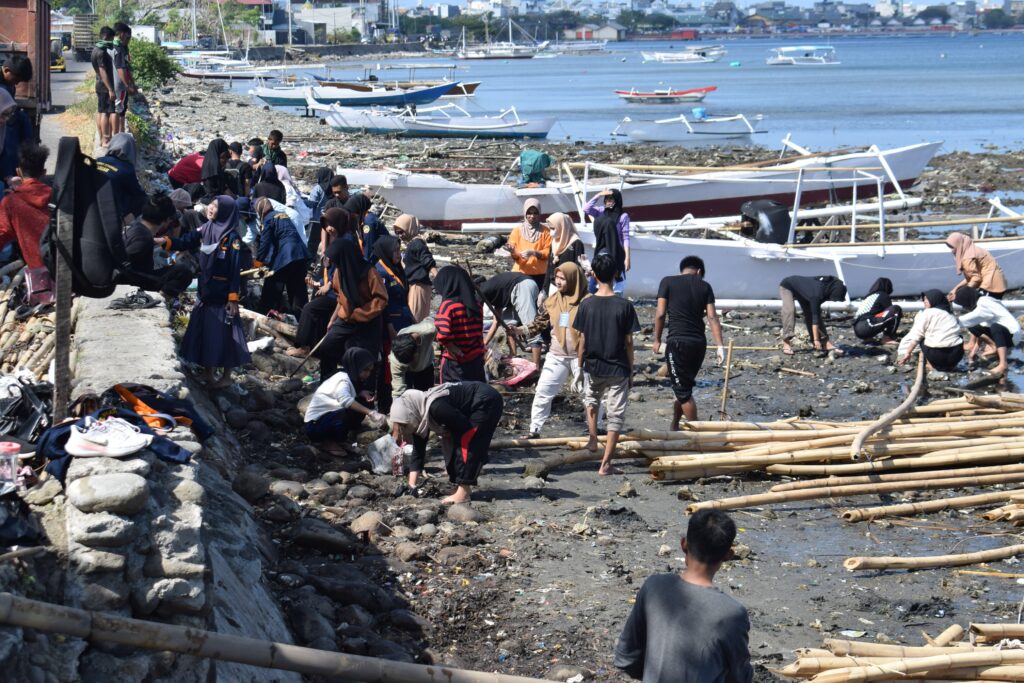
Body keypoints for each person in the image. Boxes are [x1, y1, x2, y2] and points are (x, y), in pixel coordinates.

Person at [614, 509, 753, 683]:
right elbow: (740, 677)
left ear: (684, 545)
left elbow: (626, 659)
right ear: (728, 555)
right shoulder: (732, 613)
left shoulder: (654, 586)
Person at [163, 196, 250, 387]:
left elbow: (235, 270)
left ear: (226, 212)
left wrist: (233, 298)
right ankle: (207, 373)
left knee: (226, 335)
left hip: (223, 296)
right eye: (211, 204)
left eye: (216, 207)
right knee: (206, 332)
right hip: (206, 291)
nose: (210, 208)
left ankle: (226, 378)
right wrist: (164, 241)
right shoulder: (206, 228)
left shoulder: (232, 238)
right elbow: (186, 241)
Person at [574, 254, 640, 476]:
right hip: (617, 366)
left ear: (593, 274)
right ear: (615, 275)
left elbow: (582, 339)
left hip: (593, 365)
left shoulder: (586, 304)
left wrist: (579, 366)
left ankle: (593, 440)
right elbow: (629, 342)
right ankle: (606, 464)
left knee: (591, 401)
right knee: (615, 416)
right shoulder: (624, 306)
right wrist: (631, 370)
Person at [390, 381, 503, 504]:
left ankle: (463, 492)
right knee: (455, 442)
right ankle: (460, 486)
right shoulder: (421, 413)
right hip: (475, 402)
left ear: (411, 414)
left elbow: (464, 427)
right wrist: (411, 486)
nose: (405, 430)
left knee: (467, 442)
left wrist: (448, 431)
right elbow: (418, 451)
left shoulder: (436, 407)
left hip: (486, 401)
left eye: (404, 425)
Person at [653, 256, 725, 428]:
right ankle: (675, 425)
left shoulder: (667, 282)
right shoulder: (705, 286)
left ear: (682, 270)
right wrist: (720, 346)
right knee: (684, 386)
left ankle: (696, 433)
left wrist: (656, 339)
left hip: (677, 344)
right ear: (699, 271)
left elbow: (660, 313)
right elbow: (712, 317)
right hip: (699, 344)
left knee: (683, 391)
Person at [523, 262, 589, 439]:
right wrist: (522, 330)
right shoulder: (551, 300)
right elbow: (539, 323)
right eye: (557, 278)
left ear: (574, 279)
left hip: (581, 357)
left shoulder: (588, 302)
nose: (558, 282)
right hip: (556, 356)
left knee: (589, 395)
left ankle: (595, 428)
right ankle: (534, 429)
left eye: (563, 278)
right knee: (543, 392)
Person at [316, 234, 388, 380]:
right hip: (346, 320)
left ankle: (362, 394)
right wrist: (333, 319)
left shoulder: (369, 272)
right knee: (327, 347)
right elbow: (339, 297)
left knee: (364, 359)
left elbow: (381, 299)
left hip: (368, 321)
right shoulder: (339, 272)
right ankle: (328, 382)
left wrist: (359, 313)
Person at [304, 348, 386, 449]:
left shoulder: (349, 377)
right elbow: (345, 400)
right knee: (347, 412)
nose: (368, 374)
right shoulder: (343, 380)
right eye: (365, 370)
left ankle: (343, 436)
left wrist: (360, 393)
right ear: (356, 366)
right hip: (315, 426)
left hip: (322, 421)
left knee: (362, 402)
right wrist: (371, 412)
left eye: (370, 371)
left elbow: (344, 394)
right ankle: (330, 441)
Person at [389, 317, 436, 493]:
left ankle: (422, 440)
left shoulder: (428, 331)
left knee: (427, 404)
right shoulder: (396, 360)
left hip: (426, 367)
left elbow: (437, 324)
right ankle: (411, 446)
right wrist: (396, 424)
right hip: (409, 374)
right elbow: (398, 392)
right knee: (406, 408)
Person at [122, 194, 194, 297]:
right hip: (132, 281)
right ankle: (159, 298)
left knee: (174, 263)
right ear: (167, 220)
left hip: (139, 274)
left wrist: (172, 258)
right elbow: (126, 266)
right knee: (184, 272)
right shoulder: (143, 238)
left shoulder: (137, 228)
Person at [253, 197, 310, 315]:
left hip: (286, 256)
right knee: (298, 291)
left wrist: (258, 262)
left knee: (272, 286)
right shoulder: (283, 215)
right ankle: (302, 319)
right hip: (300, 254)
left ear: (260, 211)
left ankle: (266, 313)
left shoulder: (268, 219)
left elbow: (265, 243)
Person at [0, 143, 50, 270]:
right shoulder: (59, 196)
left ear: (18, 171)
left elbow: (2, 234)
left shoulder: (10, 202)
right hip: (66, 270)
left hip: (37, 271)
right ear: (44, 173)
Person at [434, 265, 486, 383]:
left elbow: (443, 334)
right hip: (476, 359)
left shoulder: (448, 306)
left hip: (455, 363)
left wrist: (453, 348)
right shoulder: (476, 305)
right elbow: (478, 332)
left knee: (455, 397)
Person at [480, 272, 543, 368]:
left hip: (522, 286)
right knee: (507, 324)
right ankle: (513, 356)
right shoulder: (496, 293)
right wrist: (484, 344)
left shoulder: (482, 290)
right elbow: (496, 322)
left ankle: (535, 367)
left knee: (531, 328)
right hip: (520, 288)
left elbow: (473, 312)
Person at [955, 286, 1020, 377]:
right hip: (1003, 334)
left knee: (995, 327)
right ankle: (994, 347)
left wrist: (953, 321)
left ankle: (1003, 364)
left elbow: (973, 317)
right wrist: (973, 352)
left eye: (964, 304)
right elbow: (980, 327)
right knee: (973, 326)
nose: (965, 307)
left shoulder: (984, 303)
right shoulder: (982, 302)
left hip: (1012, 335)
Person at [778, 275, 848, 356]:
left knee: (812, 314)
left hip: (806, 291)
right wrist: (816, 340)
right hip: (788, 286)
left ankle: (825, 343)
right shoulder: (816, 295)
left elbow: (816, 315)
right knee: (790, 311)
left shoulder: (829, 289)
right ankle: (786, 342)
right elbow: (815, 321)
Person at [897, 290, 964, 372]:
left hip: (936, 356)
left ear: (934, 300)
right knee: (959, 337)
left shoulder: (927, 313)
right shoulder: (950, 314)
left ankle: (930, 364)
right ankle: (952, 366)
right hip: (955, 355)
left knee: (923, 338)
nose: (924, 302)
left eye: (926, 299)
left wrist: (908, 353)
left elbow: (917, 336)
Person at [95, 133, 147, 223]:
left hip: (93, 201)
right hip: (111, 209)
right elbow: (137, 192)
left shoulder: (99, 160)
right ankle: (124, 224)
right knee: (142, 200)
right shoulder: (127, 169)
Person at [586, 189, 630, 294]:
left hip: (616, 253)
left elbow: (626, 238)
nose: (608, 201)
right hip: (601, 251)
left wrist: (627, 258)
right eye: (606, 199)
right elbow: (586, 209)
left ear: (617, 200)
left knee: (616, 287)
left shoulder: (623, 216)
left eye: (611, 199)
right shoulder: (601, 211)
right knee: (593, 287)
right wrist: (598, 195)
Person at [394, 213, 436, 323]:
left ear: (409, 228)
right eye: (397, 233)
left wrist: (438, 276)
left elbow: (427, 260)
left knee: (415, 320)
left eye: (402, 232)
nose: (400, 236)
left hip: (418, 285)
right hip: (416, 285)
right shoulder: (412, 243)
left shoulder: (417, 243)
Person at [505, 198, 551, 291]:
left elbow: (548, 252)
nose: (532, 216)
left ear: (539, 214)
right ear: (525, 213)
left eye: (535, 213)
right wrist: (513, 251)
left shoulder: (546, 231)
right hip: (520, 273)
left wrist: (534, 253)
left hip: (540, 274)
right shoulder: (517, 231)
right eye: (529, 213)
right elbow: (515, 255)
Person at [946, 232, 1007, 300]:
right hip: (997, 282)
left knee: (984, 306)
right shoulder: (971, 249)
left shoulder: (967, 257)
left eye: (952, 247)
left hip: (990, 285)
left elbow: (976, 278)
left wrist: (962, 294)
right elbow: (972, 277)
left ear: (959, 245)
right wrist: (955, 289)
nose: (951, 251)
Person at [542, 212, 586, 296]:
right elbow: (549, 268)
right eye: (550, 228)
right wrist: (544, 289)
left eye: (553, 228)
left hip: (569, 289)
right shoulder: (554, 242)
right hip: (553, 287)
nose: (551, 232)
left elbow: (579, 269)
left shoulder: (576, 243)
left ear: (561, 227)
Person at [852, 277, 902, 345]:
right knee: (896, 309)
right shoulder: (882, 294)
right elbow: (890, 314)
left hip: (857, 330)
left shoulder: (869, 297)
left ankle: (868, 339)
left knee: (873, 316)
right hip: (866, 326)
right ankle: (887, 338)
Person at [109, 23, 139, 135]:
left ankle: (116, 134)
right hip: (119, 85)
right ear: (122, 34)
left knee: (114, 110)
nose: (128, 40)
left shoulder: (110, 46)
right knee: (119, 111)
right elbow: (121, 68)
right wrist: (127, 85)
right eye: (128, 37)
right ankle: (119, 135)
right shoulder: (119, 48)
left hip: (111, 84)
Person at [0, 89, 32, 188]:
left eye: (9, 115)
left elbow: (2, 154)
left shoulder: (2, 129)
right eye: (4, 114)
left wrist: (9, 178)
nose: (6, 119)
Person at [90, 27, 116, 147]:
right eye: (111, 38)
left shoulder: (95, 49)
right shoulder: (101, 52)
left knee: (100, 112)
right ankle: (106, 139)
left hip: (99, 84)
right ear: (106, 37)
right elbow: (102, 70)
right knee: (106, 112)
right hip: (105, 86)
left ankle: (101, 138)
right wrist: (110, 88)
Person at [305, 166, 333, 255]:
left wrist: (302, 201)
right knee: (326, 242)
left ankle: (310, 261)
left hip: (316, 220)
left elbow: (312, 203)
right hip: (329, 220)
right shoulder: (333, 188)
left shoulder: (318, 188)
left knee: (312, 243)